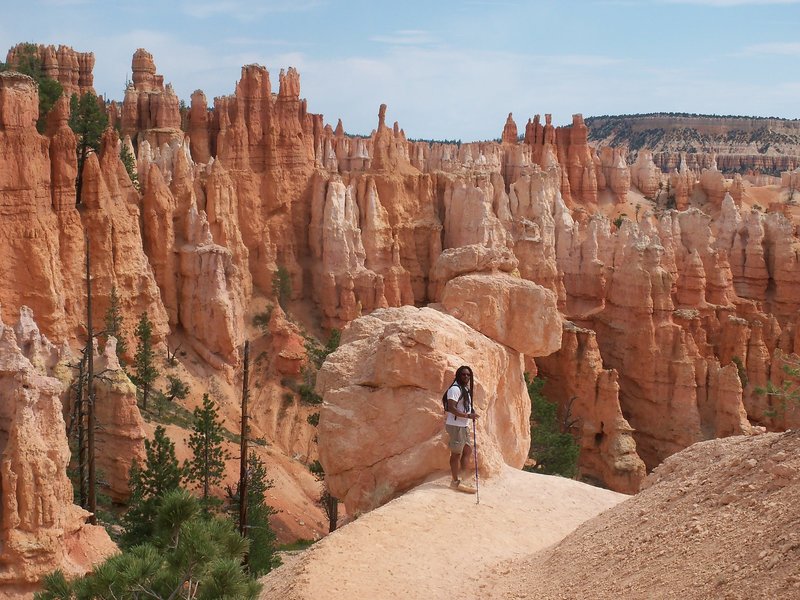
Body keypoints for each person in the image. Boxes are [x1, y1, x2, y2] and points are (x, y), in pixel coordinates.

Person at [444, 365, 478, 493]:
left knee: (467, 450)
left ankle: (463, 479)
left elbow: (464, 405)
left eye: (468, 375)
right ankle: (454, 481)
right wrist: (468, 415)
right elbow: (451, 408)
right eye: (463, 374)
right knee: (456, 453)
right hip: (456, 426)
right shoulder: (454, 389)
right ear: (458, 375)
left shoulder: (465, 389)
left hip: (464, 425)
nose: (466, 377)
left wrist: (471, 412)